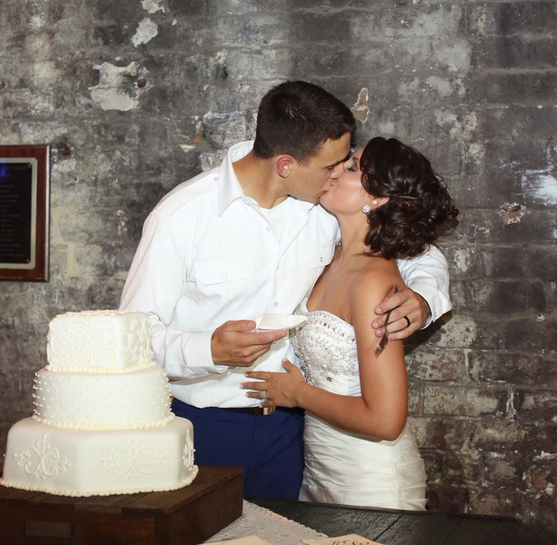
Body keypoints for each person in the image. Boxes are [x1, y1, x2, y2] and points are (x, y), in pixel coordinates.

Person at [119, 81, 452, 501]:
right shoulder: (181, 217)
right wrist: (209, 351)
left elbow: (416, 251)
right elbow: (132, 336)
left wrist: (424, 297)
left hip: (293, 431)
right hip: (203, 426)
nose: (339, 172)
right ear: (286, 165)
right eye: (334, 164)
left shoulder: (324, 206)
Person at [242, 137, 459, 509]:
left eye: (352, 167)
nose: (336, 171)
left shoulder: (375, 282)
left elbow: (386, 420)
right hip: (319, 468)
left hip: (370, 479)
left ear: (377, 199)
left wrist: (296, 394)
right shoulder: (330, 256)